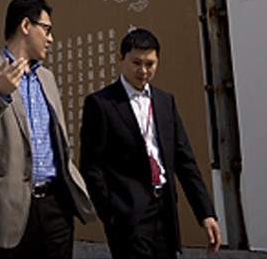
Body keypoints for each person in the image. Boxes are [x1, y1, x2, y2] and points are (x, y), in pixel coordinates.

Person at [0, 0, 95, 258]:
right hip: (6, 211)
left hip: (56, 209)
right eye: (46, 29)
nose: (51, 38)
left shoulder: (48, 78)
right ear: (25, 25)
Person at [80, 28, 222, 258]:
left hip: (165, 211)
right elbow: (90, 166)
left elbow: (185, 162)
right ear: (120, 58)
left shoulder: (166, 101)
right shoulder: (101, 104)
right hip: (128, 216)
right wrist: (111, 213)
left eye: (150, 64)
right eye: (136, 62)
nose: (143, 71)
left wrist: (206, 213)